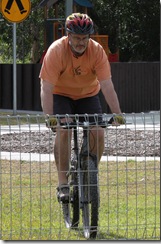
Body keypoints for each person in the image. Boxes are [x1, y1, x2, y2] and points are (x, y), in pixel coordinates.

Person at [39, 13, 125, 203]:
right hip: (61, 95)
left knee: (98, 131)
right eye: (76, 38)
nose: (81, 42)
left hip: (88, 95)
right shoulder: (56, 51)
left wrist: (117, 113)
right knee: (64, 129)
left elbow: (107, 85)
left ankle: (89, 171)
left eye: (84, 38)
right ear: (68, 35)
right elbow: (46, 87)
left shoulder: (97, 51)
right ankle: (63, 183)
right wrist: (49, 116)